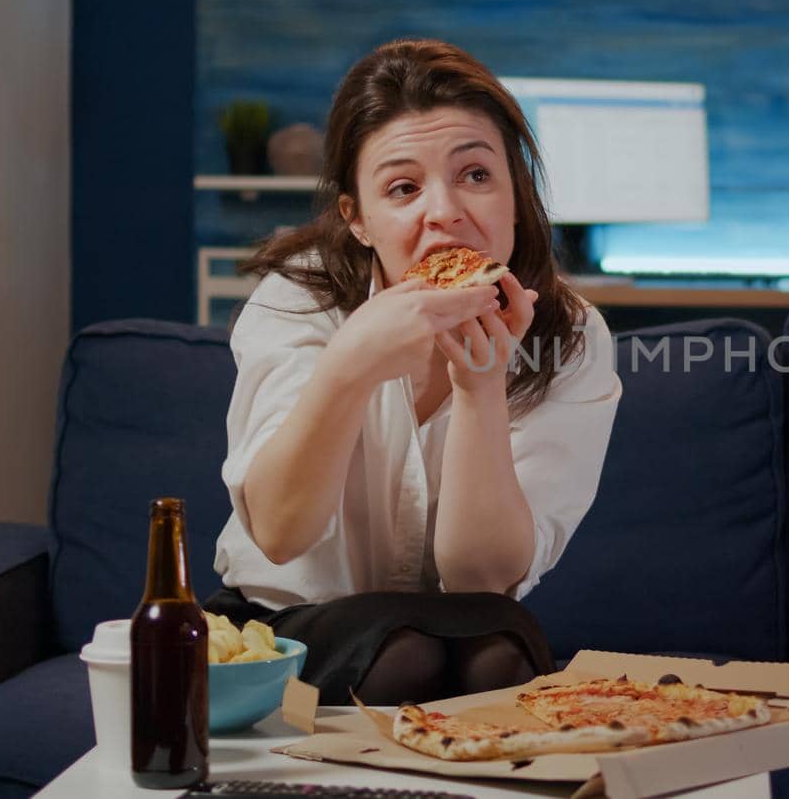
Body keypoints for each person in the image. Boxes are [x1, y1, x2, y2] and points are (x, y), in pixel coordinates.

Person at [207, 38, 623, 705]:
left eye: (476, 176)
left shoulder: (570, 335)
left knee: (495, 651)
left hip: (468, 625)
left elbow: (481, 578)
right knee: (402, 653)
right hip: (285, 625)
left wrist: (480, 385)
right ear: (359, 219)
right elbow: (282, 535)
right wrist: (349, 367)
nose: (445, 211)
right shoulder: (299, 299)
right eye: (403, 188)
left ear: (515, 194)